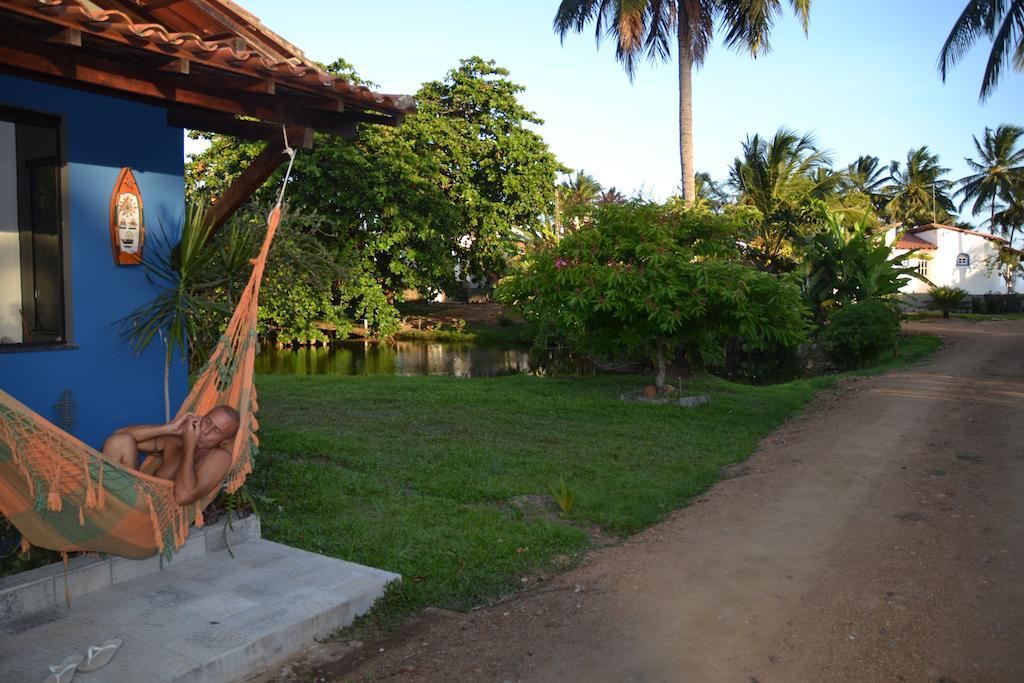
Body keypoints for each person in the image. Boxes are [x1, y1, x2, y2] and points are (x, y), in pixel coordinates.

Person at [102, 407, 240, 505]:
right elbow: (119, 435)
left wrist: (189, 446)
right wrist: (170, 428)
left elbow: (183, 496)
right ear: (200, 418)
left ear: (224, 441)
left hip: (154, 517)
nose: (205, 431)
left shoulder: (220, 457)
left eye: (216, 430)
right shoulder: (176, 440)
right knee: (119, 441)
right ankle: (106, 508)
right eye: (207, 422)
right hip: (133, 498)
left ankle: (106, 509)